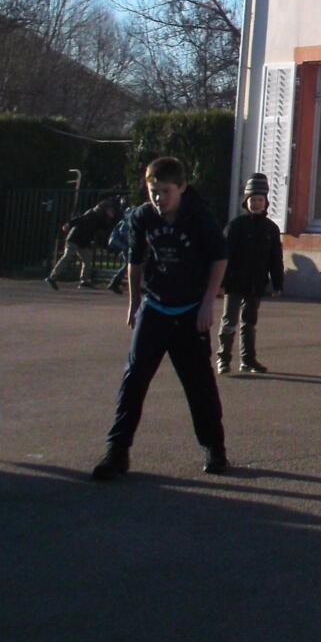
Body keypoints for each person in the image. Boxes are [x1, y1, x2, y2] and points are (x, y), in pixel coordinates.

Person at [91, 156, 229, 480]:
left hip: (189, 311)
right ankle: (117, 451)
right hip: (155, 308)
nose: (159, 197)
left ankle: (214, 448)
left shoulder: (199, 217)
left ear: (181, 187)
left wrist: (207, 304)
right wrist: (134, 302)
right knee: (134, 379)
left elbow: (219, 258)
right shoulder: (143, 216)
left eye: (166, 191)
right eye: (154, 190)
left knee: (199, 384)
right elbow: (135, 260)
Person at [218, 173, 284, 375]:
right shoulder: (235, 226)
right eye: (252, 200)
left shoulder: (271, 229)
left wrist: (278, 283)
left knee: (249, 323)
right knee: (229, 321)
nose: (256, 204)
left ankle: (248, 360)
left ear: (266, 202)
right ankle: (223, 359)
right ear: (246, 202)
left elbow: (276, 258)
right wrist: (220, 282)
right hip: (234, 283)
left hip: (256, 283)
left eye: (260, 200)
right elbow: (223, 255)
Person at [45, 194, 125, 292]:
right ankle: (52, 277)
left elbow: (105, 228)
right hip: (74, 238)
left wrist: (111, 219)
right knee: (67, 256)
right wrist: (69, 224)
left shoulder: (101, 217)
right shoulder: (92, 214)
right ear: (104, 209)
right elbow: (80, 219)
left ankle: (84, 280)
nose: (111, 211)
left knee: (87, 260)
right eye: (109, 210)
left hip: (84, 242)